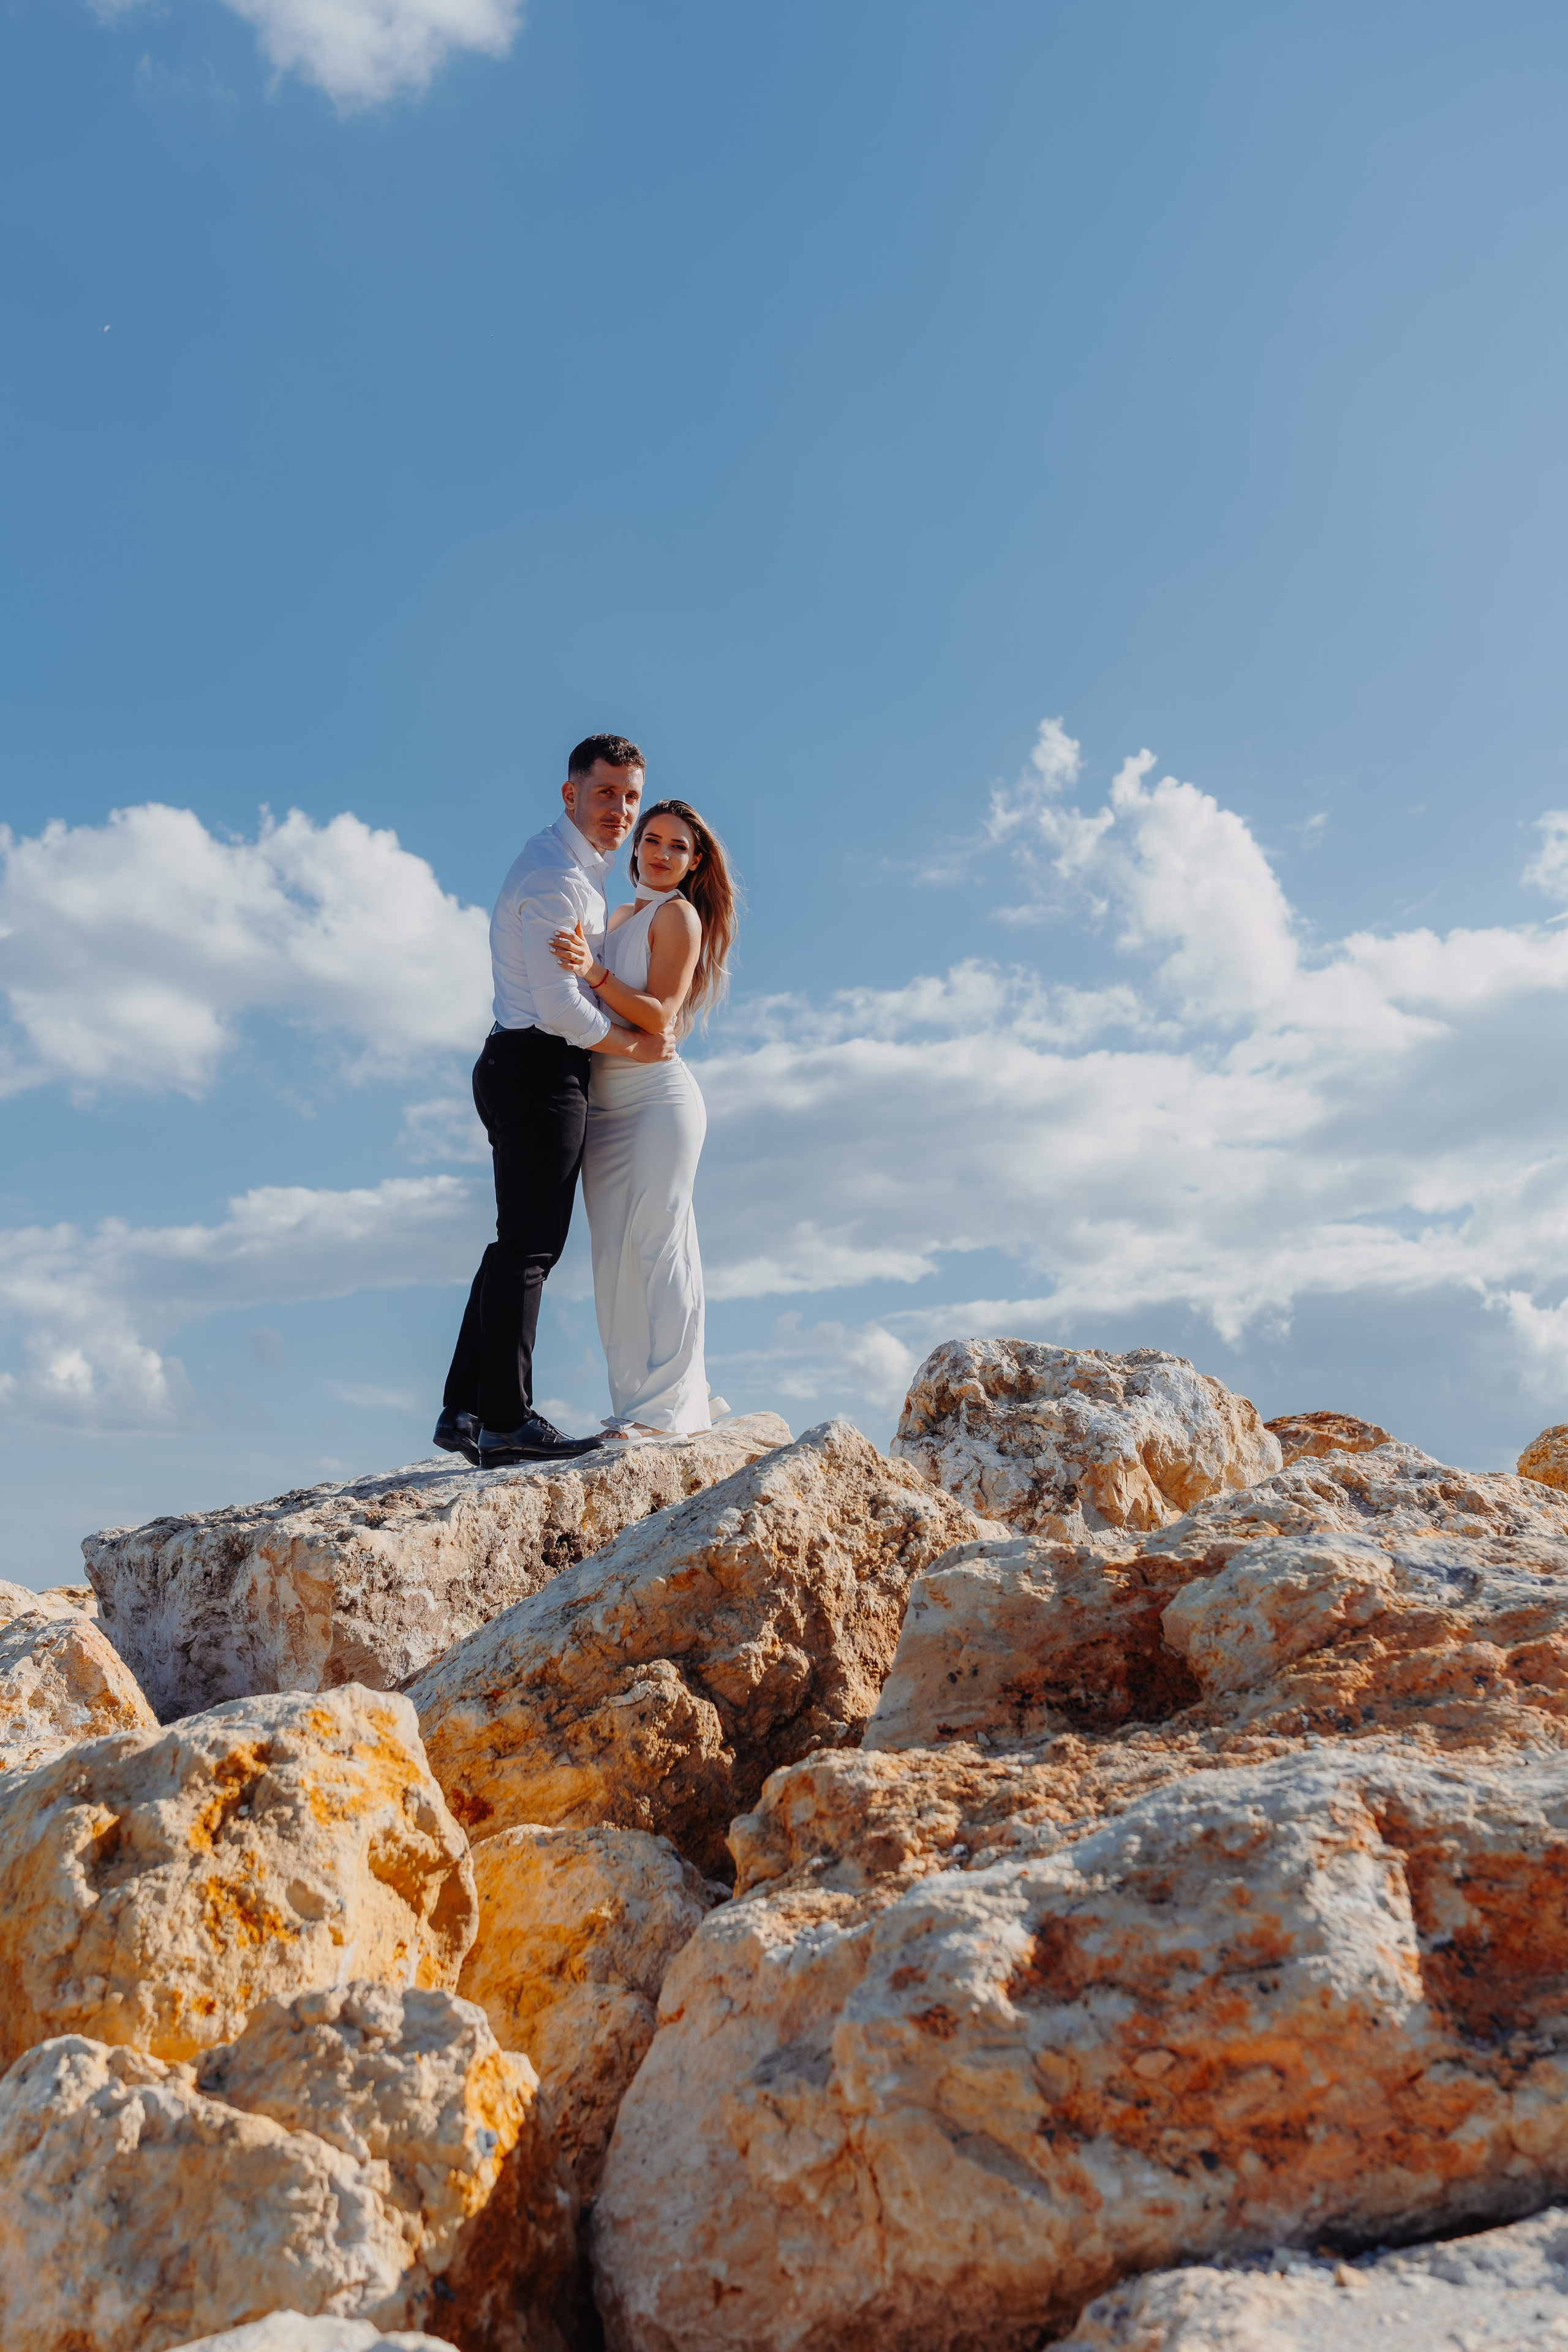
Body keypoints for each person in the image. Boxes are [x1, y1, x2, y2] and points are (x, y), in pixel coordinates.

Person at [434, 736, 674, 1470]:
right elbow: (560, 1008)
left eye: (631, 796)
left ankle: (467, 1409)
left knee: (516, 1243)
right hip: (539, 1064)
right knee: (531, 1249)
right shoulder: (554, 878)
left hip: (520, 1062)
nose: (621, 810)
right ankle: (506, 1421)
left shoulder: (573, 869)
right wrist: (634, 1044)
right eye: (606, 793)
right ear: (569, 794)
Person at [548, 796, 737, 1437]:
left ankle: (667, 1409)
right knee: (613, 1257)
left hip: (658, 1098)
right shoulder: (620, 911)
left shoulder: (678, 916)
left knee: (661, 1242)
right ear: (636, 846)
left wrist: (592, 971)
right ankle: (642, 1402)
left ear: (695, 861)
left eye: (677, 846)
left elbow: (660, 1015)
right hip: (604, 1105)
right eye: (652, 840)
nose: (660, 853)